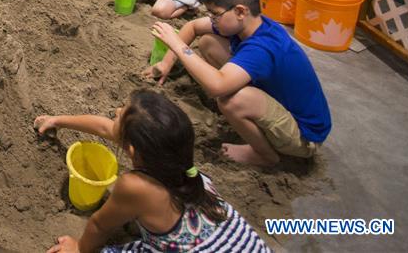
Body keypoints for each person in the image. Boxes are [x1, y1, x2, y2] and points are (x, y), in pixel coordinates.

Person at [36, 90, 271, 253]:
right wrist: (58, 120)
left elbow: (100, 226)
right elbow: (105, 128)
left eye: (120, 114)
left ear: (133, 149)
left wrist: (79, 247)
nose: (116, 111)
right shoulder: (181, 162)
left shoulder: (137, 186)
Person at [148, 0, 332, 167]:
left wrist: (177, 45)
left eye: (215, 14)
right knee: (208, 43)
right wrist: (166, 63)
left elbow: (216, 86)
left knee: (232, 100)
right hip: (276, 101)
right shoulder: (251, 23)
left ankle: (264, 154)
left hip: (303, 136)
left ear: (240, 11)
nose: (212, 19)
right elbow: (192, 27)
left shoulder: (262, 48)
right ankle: (248, 117)